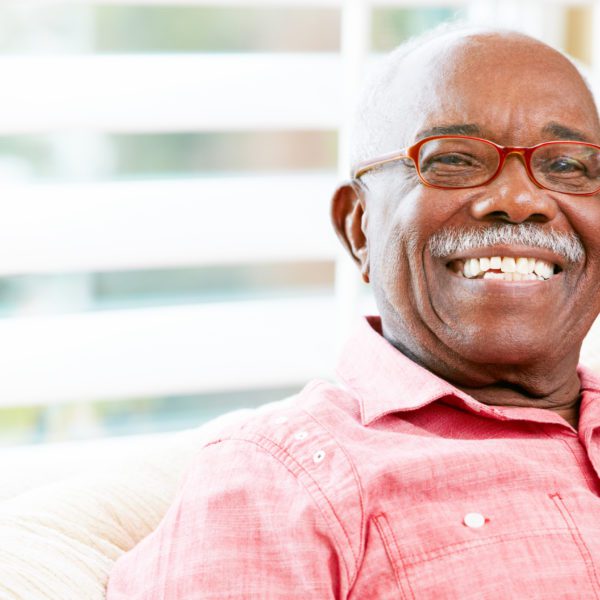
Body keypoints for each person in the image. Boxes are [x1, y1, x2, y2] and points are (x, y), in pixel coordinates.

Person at [107, 24, 600, 599]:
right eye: (453, 160)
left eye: (567, 167)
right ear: (358, 228)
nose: (519, 201)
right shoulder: (276, 479)